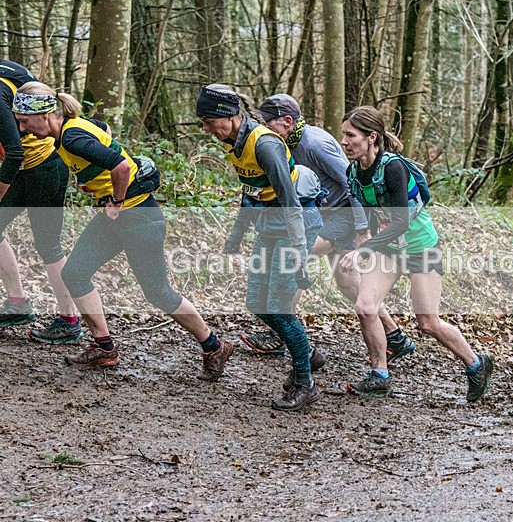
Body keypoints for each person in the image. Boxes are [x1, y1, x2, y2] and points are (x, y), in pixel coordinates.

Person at [13, 82, 233, 381]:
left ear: (44, 114)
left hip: (138, 216)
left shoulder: (72, 138)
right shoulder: (72, 129)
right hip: (118, 218)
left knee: (158, 293)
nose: (23, 129)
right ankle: (104, 347)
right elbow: (105, 134)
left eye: (25, 121)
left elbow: (120, 167)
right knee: (75, 273)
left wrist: (115, 201)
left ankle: (214, 346)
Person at [235, 93, 417, 363]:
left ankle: (281, 332)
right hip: (321, 213)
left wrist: (361, 229)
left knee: (297, 253)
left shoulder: (315, 143)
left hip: (344, 213)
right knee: (347, 282)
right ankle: (395, 337)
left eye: (268, 123)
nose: (263, 130)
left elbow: (351, 182)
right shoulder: (281, 143)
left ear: (287, 121)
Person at [338, 105, 493, 402]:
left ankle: (476, 364)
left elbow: (400, 221)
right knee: (366, 306)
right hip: (389, 248)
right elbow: (373, 213)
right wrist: (366, 241)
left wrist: (363, 250)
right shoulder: (353, 171)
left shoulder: (393, 167)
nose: (344, 141)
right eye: (343, 134)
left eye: (350, 135)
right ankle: (380, 375)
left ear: (371, 137)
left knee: (428, 323)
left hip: (421, 247)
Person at [197, 84, 320, 411]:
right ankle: (305, 351)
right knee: (257, 302)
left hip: (296, 226)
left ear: (229, 115)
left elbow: (291, 200)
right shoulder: (234, 143)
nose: (207, 129)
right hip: (270, 225)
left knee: (278, 305)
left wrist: (299, 255)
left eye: (210, 121)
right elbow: (250, 191)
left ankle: (305, 382)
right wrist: (235, 236)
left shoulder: (265, 145)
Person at [0, 60, 81, 342]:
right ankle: (17, 304)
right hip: (23, 170)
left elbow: (13, 152)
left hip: (44, 168)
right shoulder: (7, 69)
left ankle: (69, 319)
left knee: (48, 244)